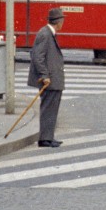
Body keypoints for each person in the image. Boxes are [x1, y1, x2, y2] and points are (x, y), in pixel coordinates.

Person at [28, 8, 66, 148]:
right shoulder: (45, 34)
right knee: (48, 108)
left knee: (52, 108)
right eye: (62, 20)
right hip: (49, 79)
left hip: (53, 79)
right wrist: (44, 75)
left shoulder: (49, 33)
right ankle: (45, 138)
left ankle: (48, 137)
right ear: (59, 22)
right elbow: (38, 57)